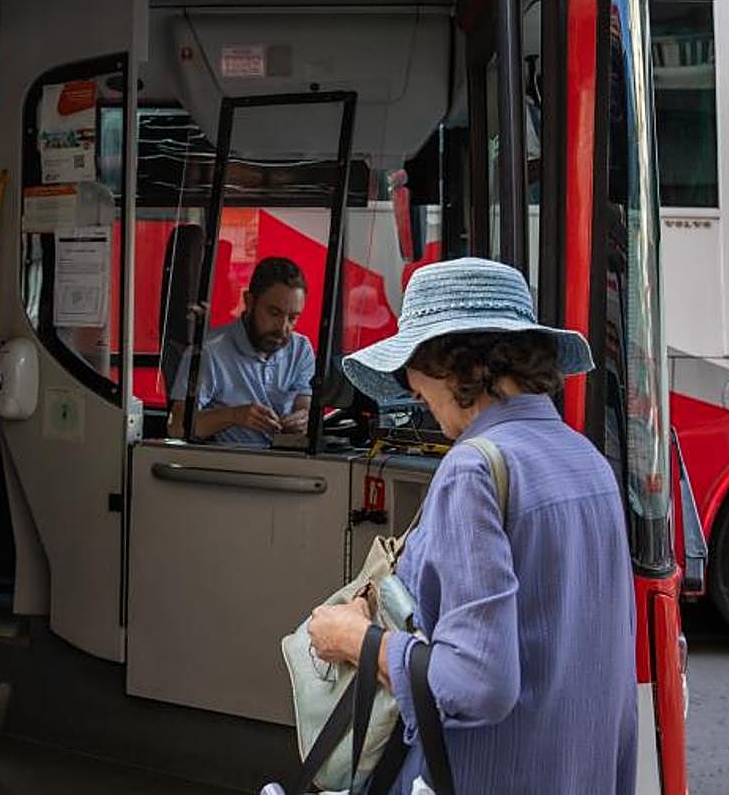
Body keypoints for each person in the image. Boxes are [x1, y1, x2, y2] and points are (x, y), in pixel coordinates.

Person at [306, 258, 636, 793]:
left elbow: (477, 684)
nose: (411, 390)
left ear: (452, 363)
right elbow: (613, 683)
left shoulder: (474, 469)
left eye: (411, 362)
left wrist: (355, 638)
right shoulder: (588, 461)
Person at [167, 256, 315, 447]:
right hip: (231, 469)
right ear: (249, 301)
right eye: (274, 313)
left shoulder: (301, 349)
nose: (283, 328)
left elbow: (304, 402)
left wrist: (303, 419)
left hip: (290, 465)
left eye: (293, 318)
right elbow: (176, 427)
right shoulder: (208, 353)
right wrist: (234, 416)